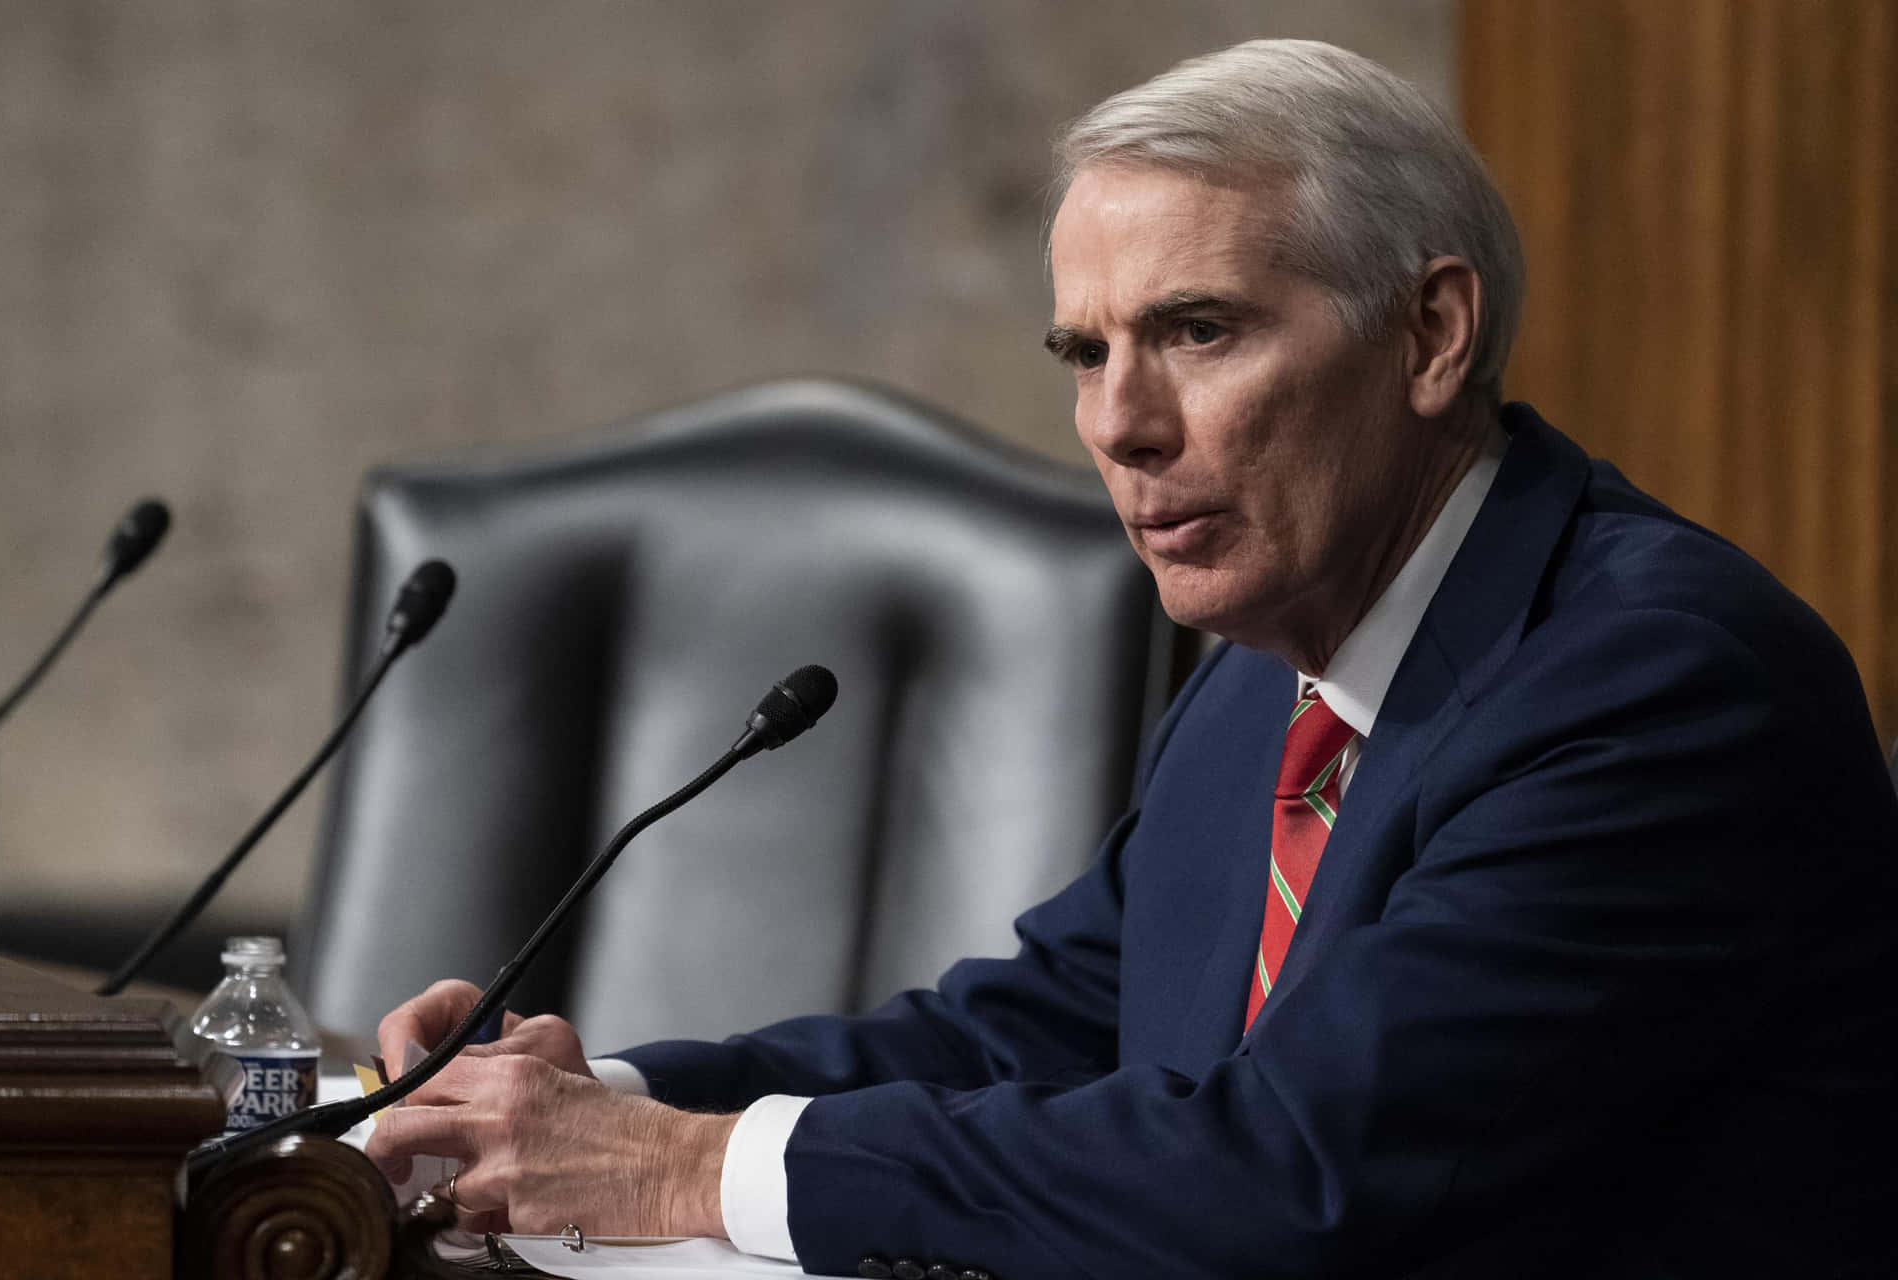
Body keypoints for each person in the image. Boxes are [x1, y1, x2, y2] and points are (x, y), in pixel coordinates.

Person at [365, 39, 1898, 1278]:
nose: (1118, 423)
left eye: (1200, 331)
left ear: (1432, 334)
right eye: (1087, 353)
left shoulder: (1657, 683)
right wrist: (599, 1103)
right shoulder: (1266, 677)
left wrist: (690, 1174)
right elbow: (1044, 1028)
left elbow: (1301, 1175)